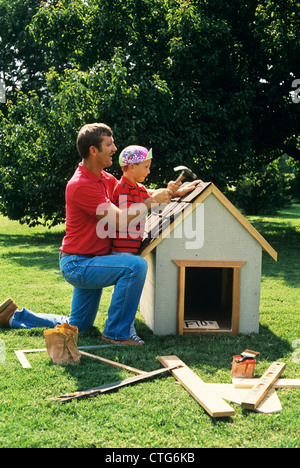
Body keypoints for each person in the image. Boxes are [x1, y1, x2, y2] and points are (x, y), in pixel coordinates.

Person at [0, 123, 197, 345]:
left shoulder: (105, 178)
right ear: (93, 150)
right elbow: (118, 219)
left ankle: (14, 316)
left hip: (93, 260)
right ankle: (116, 333)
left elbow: (135, 189)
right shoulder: (81, 184)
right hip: (78, 264)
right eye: (109, 144)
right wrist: (151, 202)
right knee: (136, 266)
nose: (114, 148)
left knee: (79, 325)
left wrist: (170, 192)